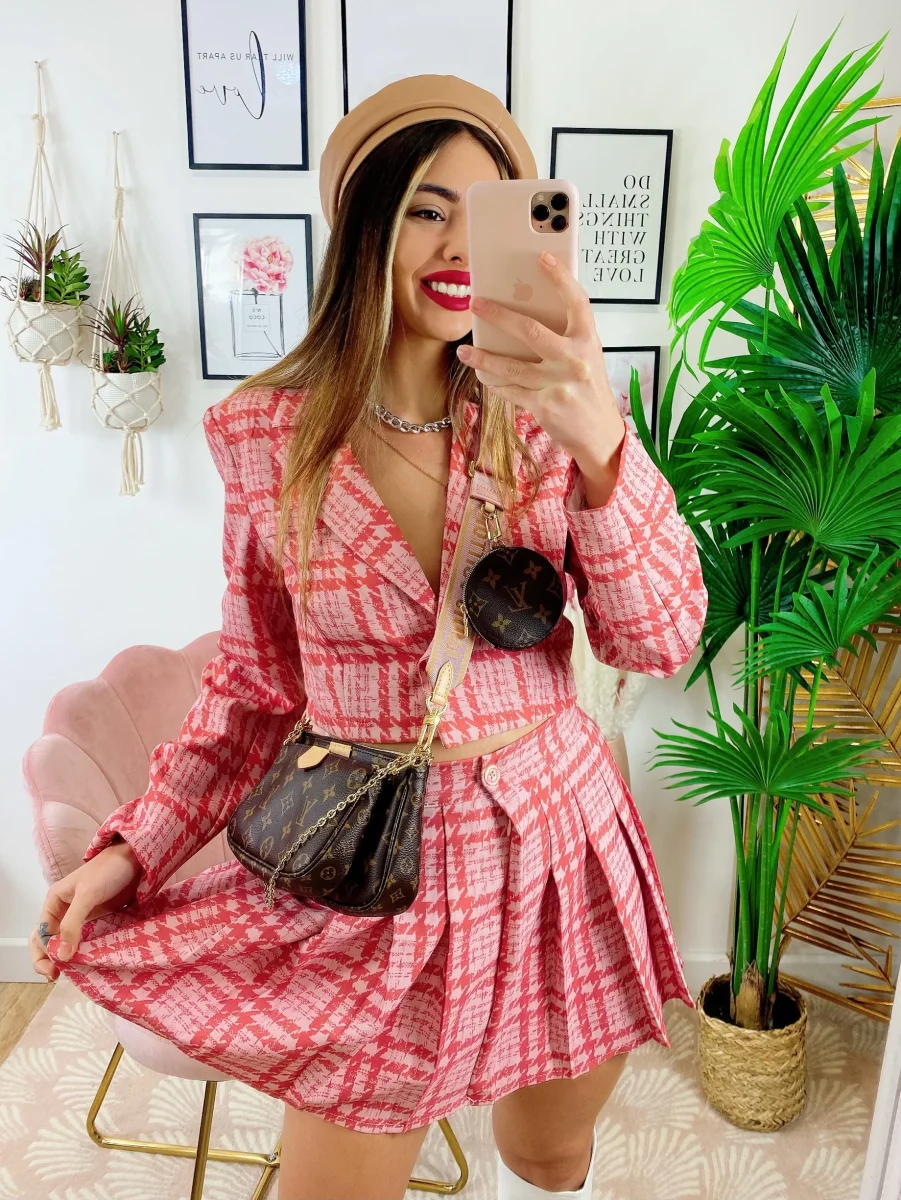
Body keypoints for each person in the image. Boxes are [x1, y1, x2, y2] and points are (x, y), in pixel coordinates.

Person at [30, 76, 708, 1200]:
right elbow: (252, 690)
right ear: (364, 226)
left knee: (547, 1157)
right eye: (427, 208)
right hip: (374, 867)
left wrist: (602, 447)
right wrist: (134, 847)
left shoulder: (553, 414)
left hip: (556, 843)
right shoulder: (268, 436)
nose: (458, 245)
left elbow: (659, 638)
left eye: (488, 213)